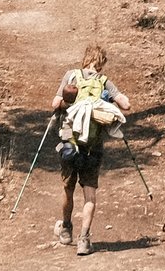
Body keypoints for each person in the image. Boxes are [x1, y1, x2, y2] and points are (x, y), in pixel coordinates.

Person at [52, 45, 131, 254]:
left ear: (85, 60)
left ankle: (66, 228)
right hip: (93, 146)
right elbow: (126, 105)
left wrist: (67, 103)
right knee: (90, 195)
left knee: (67, 189)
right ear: (101, 63)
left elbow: (55, 103)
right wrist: (109, 99)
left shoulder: (71, 76)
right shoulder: (104, 82)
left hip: (69, 142)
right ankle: (84, 240)